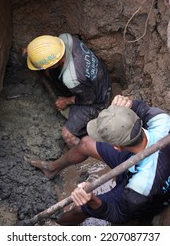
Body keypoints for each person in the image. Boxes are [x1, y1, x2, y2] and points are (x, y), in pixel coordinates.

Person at [52, 94, 170, 225]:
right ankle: (51, 168)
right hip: (138, 159)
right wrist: (130, 105)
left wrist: (92, 200)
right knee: (85, 143)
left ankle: (53, 228)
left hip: (149, 196)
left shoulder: (140, 186)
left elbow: (118, 214)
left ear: (117, 147)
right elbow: (140, 108)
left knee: (80, 209)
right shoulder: (162, 120)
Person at [25, 33, 112, 148]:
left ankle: (82, 150)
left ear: (55, 62)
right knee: (51, 73)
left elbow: (89, 99)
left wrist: (66, 101)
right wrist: (33, 52)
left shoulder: (71, 78)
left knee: (67, 134)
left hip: (100, 100)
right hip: (100, 78)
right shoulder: (66, 38)